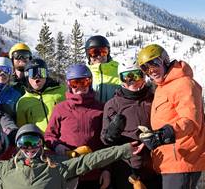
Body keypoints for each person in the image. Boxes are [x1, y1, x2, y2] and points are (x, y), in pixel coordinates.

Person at [0, 124, 143, 189]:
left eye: (34, 142)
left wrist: (123, 150)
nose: (29, 148)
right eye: (24, 143)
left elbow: (91, 160)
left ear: (41, 144)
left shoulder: (58, 166)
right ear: (18, 146)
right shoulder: (4, 169)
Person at [137, 44, 205, 189]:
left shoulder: (184, 84)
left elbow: (191, 120)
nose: (151, 71)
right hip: (168, 161)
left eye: (154, 64)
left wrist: (164, 134)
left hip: (183, 159)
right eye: (146, 69)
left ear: (165, 60)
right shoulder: (163, 87)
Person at [100, 56, 161, 189]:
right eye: (127, 76)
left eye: (136, 75)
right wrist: (110, 135)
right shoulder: (113, 105)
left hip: (155, 167)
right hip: (126, 169)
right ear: (120, 80)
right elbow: (105, 142)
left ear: (144, 77)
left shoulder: (154, 99)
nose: (132, 81)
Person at [45, 64, 108, 189]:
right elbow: (49, 136)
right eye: (75, 83)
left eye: (84, 82)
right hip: (68, 170)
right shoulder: (61, 109)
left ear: (90, 82)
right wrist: (57, 146)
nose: (80, 87)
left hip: (94, 171)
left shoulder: (100, 108)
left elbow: (107, 143)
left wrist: (107, 170)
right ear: (69, 85)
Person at [16, 58, 66, 132]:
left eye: (41, 73)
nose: (37, 77)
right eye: (32, 73)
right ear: (27, 76)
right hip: (39, 141)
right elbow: (22, 129)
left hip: (62, 139)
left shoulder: (61, 90)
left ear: (46, 75)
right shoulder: (23, 102)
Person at [85, 35, 121, 104]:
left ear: (108, 53)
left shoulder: (119, 70)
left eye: (103, 51)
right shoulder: (84, 73)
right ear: (88, 55)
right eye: (94, 52)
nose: (99, 56)